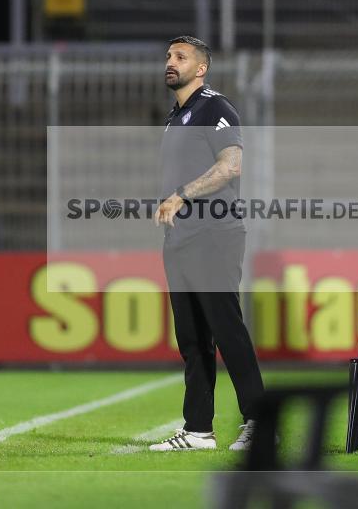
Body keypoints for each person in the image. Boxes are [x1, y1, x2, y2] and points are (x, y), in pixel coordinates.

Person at [149, 35, 265, 451]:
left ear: (201, 68)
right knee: (192, 337)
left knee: (226, 328)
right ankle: (198, 430)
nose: (170, 62)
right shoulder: (175, 115)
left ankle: (258, 422)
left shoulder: (215, 107)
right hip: (180, 238)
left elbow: (231, 166)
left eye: (180, 57)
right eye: (168, 56)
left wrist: (181, 194)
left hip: (215, 234)